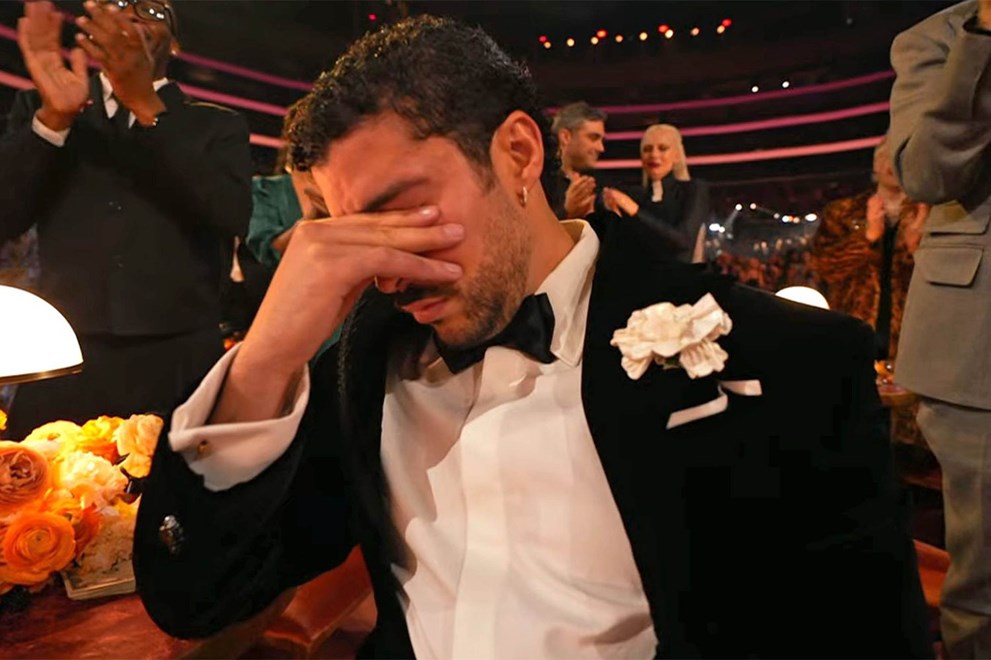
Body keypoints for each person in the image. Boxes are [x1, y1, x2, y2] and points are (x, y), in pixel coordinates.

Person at [134, 16, 930, 658]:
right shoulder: (360, 365)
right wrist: (266, 357)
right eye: (346, 230)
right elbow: (198, 599)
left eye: (400, 210)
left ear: (517, 152)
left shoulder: (788, 360)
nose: (383, 266)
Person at [0, 0, 251, 439]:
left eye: (151, 10)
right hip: (67, 353)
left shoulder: (216, 125)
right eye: (117, 4)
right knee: (44, 478)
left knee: (178, 480)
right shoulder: (46, 104)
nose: (131, 13)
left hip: (179, 357)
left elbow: (231, 213)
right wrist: (53, 119)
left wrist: (146, 105)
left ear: (175, 44)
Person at [889, 1, 991, 656]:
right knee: (984, 590)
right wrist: (985, 41)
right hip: (977, 349)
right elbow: (926, 173)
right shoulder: (940, 38)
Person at [601, 124, 711, 262]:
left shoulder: (694, 189)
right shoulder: (634, 195)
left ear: (677, 155)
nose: (654, 155)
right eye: (647, 149)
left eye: (663, 148)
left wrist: (634, 210)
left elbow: (683, 241)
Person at [546, 101, 606, 220]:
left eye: (601, 140)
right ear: (565, 137)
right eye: (593, 138)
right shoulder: (539, 181)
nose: (601, 148)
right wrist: (566, 212)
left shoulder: (590, 185)